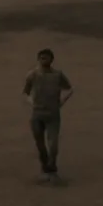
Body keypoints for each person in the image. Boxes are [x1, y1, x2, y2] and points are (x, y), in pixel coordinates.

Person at [22, 48, 73, 181]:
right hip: (37, 114)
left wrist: (62, 101)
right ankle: (45, 167)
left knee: (53, 144)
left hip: (53, 114)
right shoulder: (32, 75)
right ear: (38, 59)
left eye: (47, 57)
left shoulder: (58, 75)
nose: (44, 60)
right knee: (40, 144)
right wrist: (31, 102)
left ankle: (52, 166)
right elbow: (25, 92)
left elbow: (69, 89)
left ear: (52, 60)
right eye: (42, 57)